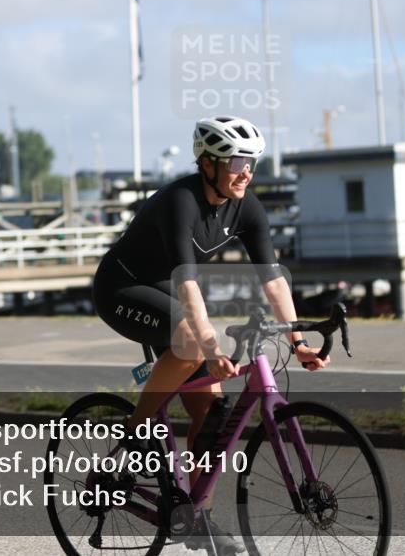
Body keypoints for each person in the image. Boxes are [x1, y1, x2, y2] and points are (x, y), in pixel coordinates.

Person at [92, 115, 329, 554]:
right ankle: (136, 430)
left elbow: (273, 280)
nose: (246, 173)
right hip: (122, 288)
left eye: (252, 163)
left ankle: (196, 516)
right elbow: (188, 284)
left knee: (213, 414)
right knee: (190, 342)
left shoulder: (246, 206)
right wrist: (210, 346)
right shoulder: (180, 202)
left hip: (168, 294)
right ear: (207, 163)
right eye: (237, 162)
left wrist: (297, 343)